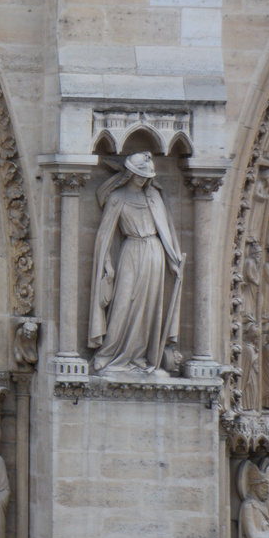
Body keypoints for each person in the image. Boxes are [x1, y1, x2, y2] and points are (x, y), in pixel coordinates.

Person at [88, 151, 186, 375]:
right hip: (131, 251)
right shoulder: (117, 198)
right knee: (123, 304)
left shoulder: (154, 198)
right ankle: (109, 353)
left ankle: (140, 356)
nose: (143, 179)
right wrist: (107, 265)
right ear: (129, 173)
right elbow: (105, 236)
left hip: (154, 253)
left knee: (148, 308)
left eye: (146, 175)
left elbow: (165, 231)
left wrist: (173, 261)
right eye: (138, 174)